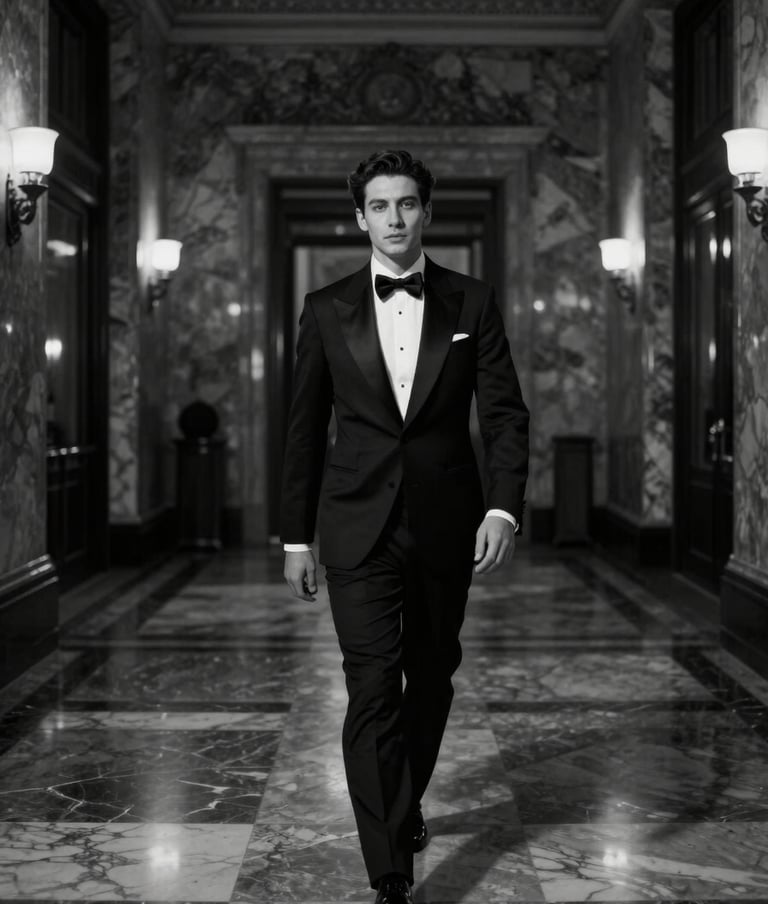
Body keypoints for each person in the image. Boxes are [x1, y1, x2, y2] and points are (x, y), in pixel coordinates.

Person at [281, 149, 529, 904]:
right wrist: (296, 537)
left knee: (432, 680)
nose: (394, 218)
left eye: (408, 204)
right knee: (372, 688)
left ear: (427, 212)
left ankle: (405, 796)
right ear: (360, 217)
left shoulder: (472, 302)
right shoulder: (325, 309)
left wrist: (502, 507)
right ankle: (389, 868)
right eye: (380, 206)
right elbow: (302, 429)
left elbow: (506, 416)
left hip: (448, 524)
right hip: (355, 526)